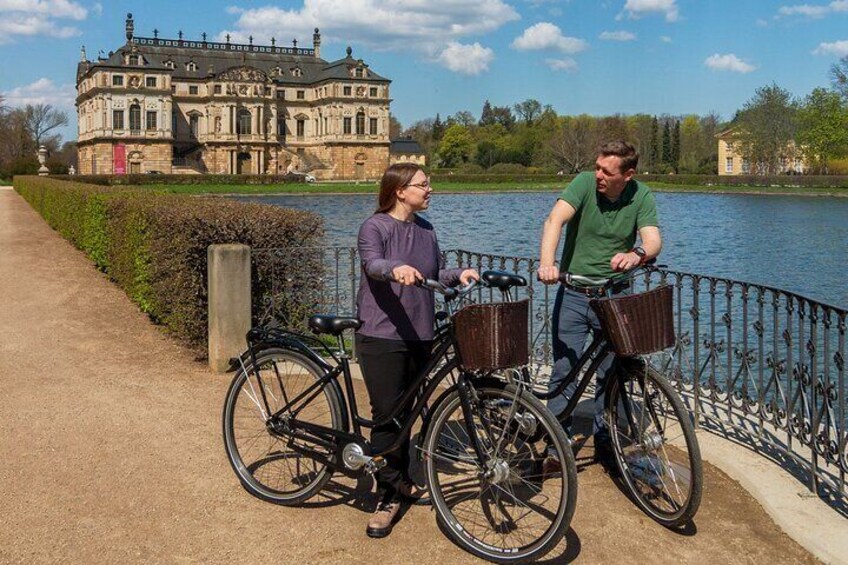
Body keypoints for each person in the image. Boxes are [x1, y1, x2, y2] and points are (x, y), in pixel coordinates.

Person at [356, 162, 478, 538]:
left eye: (429, 184)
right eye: (423, 185)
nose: (430, 190)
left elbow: (432, 273)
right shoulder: (374, 227)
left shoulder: (426, 229)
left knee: (406, 415)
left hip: (420, 333)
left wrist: (457, 273)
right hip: (382, 335)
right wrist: (395, 269)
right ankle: (388, 495)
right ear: (400, 190)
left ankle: (401, 476)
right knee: (387, 416)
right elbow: (373, 263)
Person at [537, 140, 661, 471]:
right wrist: (547, 264)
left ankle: (607, 442)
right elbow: (555, 220)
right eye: (597, 167)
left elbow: (652, 239)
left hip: (615, 295)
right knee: (565, 369)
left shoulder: (641, 195)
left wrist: (637, 254)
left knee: (612, 372)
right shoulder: (583, 184)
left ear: (628, 174)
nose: (598, 175)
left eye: (606, 171)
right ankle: (556, 444)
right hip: (575, 293)